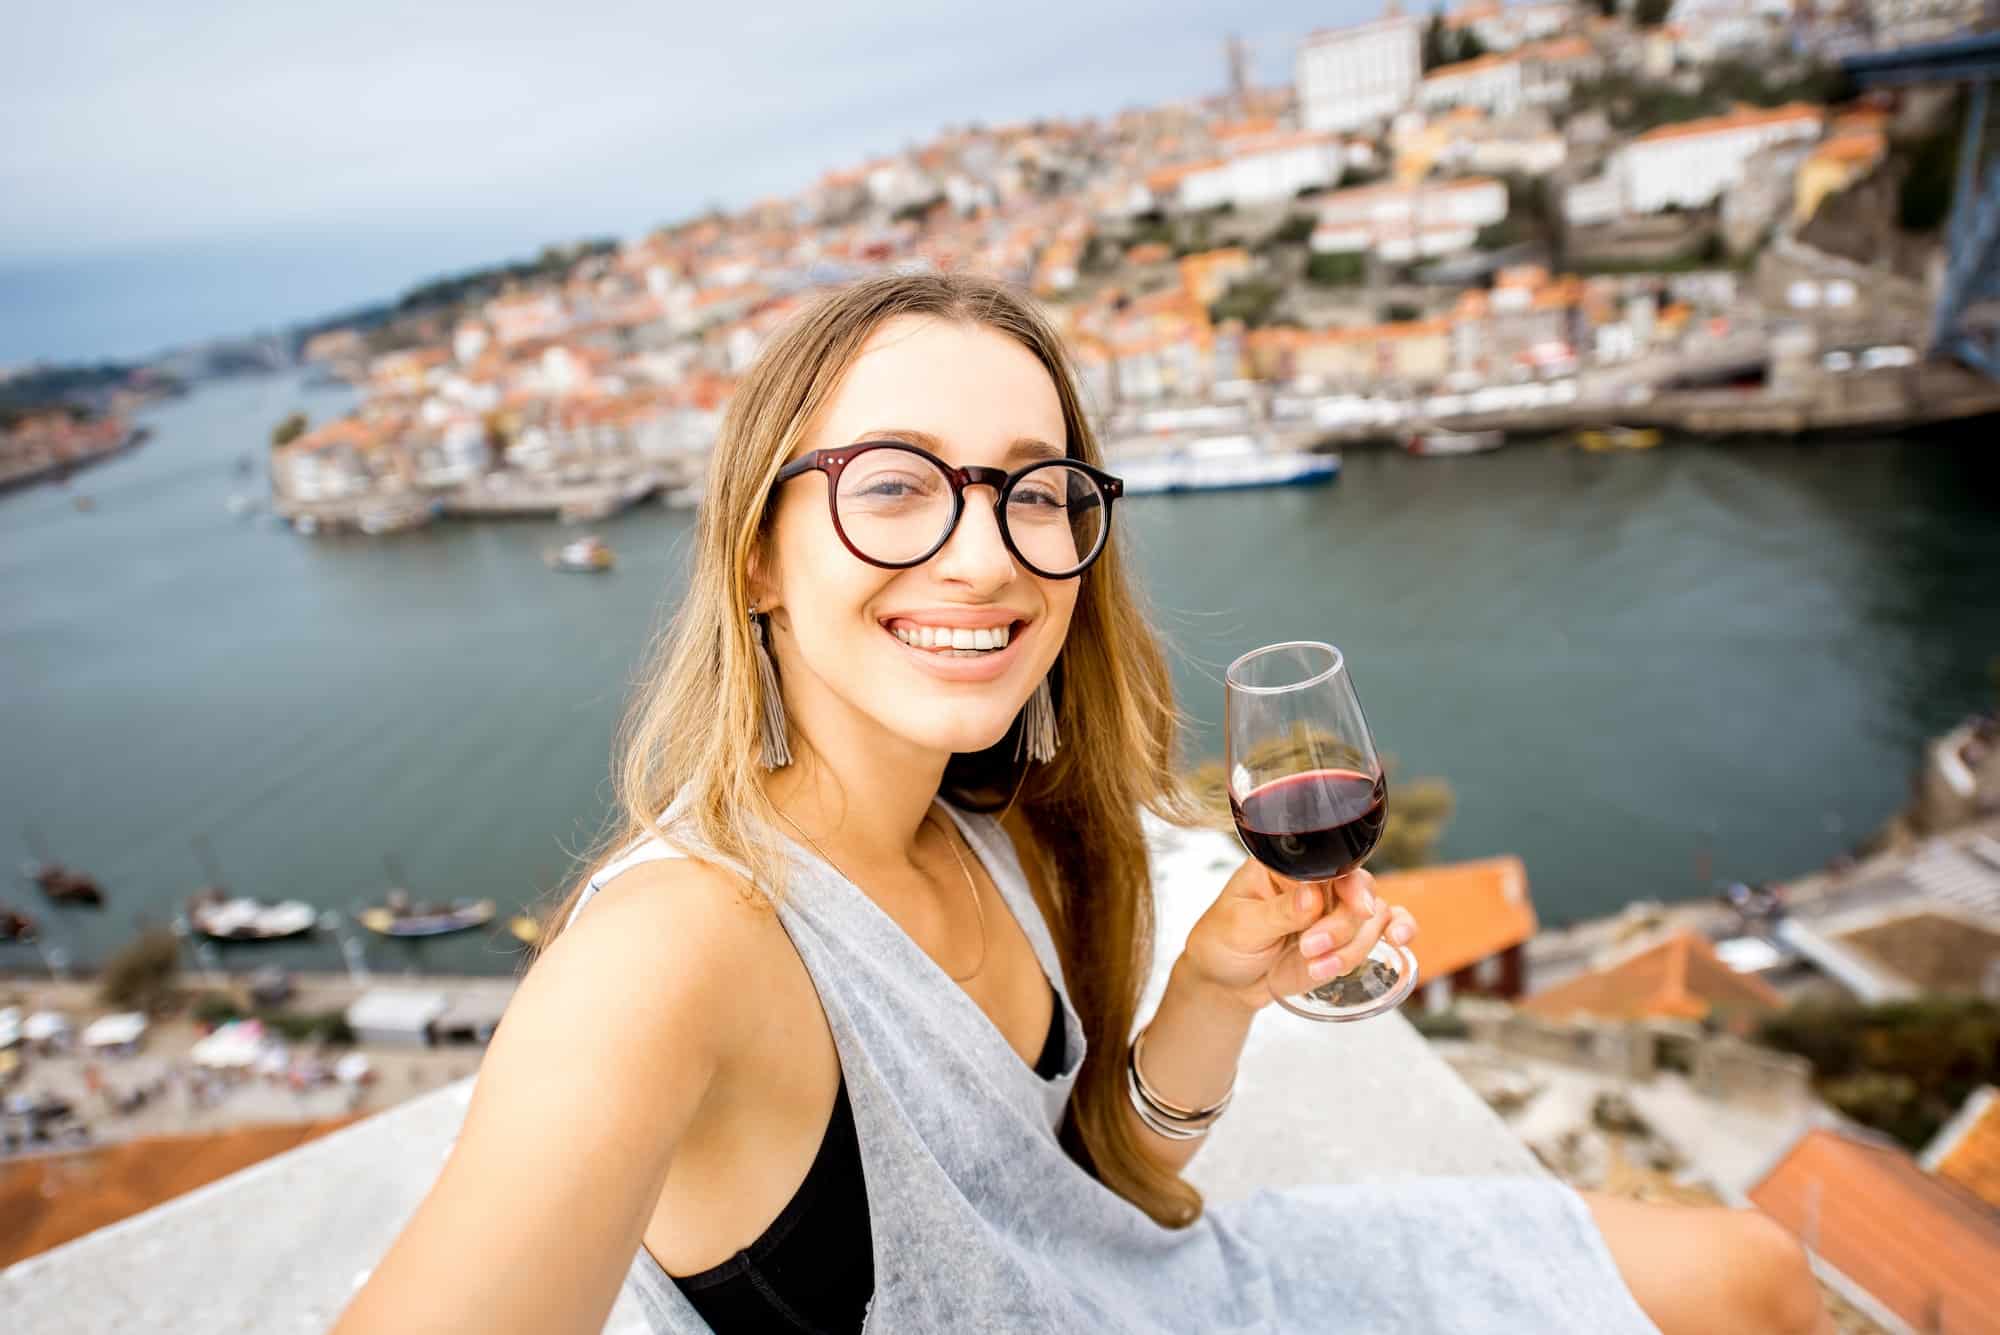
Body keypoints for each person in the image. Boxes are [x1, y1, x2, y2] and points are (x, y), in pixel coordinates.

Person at [331, 272, 1830, 1334]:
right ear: (755, 560)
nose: (987, 555)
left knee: (1759, 1278)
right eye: (897, 484)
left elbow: (1091, 1181)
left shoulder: (1000, 820)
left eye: (1036, 490)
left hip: (1169, 1290)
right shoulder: (676, 947)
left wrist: (1214, 991)